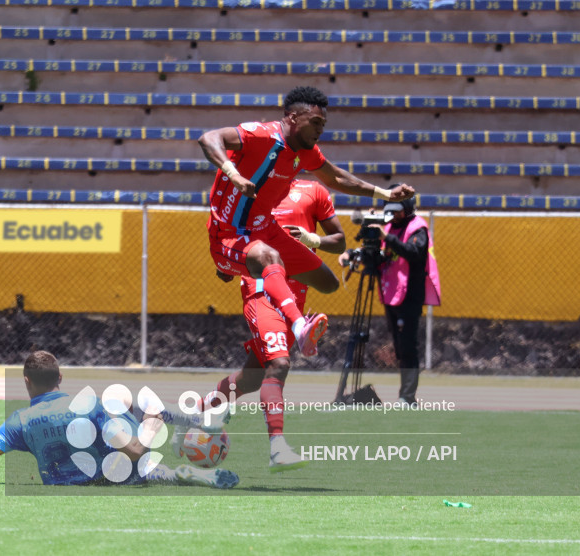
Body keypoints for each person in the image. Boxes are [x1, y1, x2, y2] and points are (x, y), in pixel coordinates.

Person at [199, 85, 414, 360]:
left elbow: (336, 177)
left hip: (266, 230)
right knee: (268, 258)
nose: (320, 129)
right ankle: (298, 326)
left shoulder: (305, 151)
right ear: (292, 118)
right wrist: (234, 174)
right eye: (315, 122)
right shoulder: (262, 135)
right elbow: (208, 139)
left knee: (327, 283)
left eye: (323, 124)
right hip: (228, 234)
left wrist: (384, 193)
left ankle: (261, 279)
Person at [0, 350, 239, 489]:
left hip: (67, 484)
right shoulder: (88, 404)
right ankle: (183, 432)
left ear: (25, 383)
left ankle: (179, 454)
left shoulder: (19, 421)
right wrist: (153, 424)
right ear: (61, 380)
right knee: (125, 402)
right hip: (113, 478)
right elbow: (132, 449)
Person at [177, 178, 347, 472]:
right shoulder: (252, 192)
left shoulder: (314, 190)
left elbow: (340, 241)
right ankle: (278, 448)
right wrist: (226, 265)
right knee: (279, 364)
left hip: (297, 295)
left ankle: (197, 412)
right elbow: (229, 240)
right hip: (261, 291)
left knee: (252, 378)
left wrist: (312, 239)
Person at [339, 193, 441, 406]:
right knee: (398, 345)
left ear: (407, 209)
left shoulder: (417, 227)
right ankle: (400, 395)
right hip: (391, 293)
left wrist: (386, 238)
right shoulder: (388, 227)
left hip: (409, 296)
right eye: (390, 211)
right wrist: (353, 254)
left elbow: (414, 252)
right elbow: (378, 257)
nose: (393, 215)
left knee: (407, 346)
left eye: (397, 211)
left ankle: (407, 397)